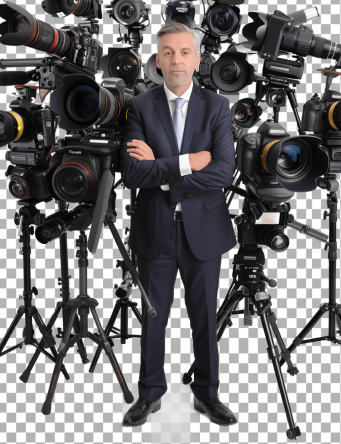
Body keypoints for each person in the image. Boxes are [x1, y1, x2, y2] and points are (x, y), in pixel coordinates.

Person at [120, 22, 237, 427]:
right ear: (157, 60)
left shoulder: (217, 106)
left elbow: (223, 172)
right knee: (153, 316)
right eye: (167, 53)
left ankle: (207, 393)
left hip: (203, 230)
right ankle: (150, 392)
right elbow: (133, 175)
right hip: (155, 230)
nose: (176, 60)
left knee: (204, 316)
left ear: (198, 58)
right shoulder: (139, 106)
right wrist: (188, 163)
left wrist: (161, 169)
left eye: (184, 52)